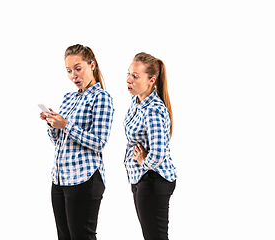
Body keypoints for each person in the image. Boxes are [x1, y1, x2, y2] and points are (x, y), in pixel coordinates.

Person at [40, 44, 114, 240]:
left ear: (92, 65)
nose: (74, 75)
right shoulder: (68, 98)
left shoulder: (102, 98)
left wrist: (66, 125)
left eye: (78, 68)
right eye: (69, 71)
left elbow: (99, 142)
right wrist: (52, 123)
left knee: (81, 236)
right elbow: (57, 141)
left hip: (84, 179)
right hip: (59, 179)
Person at [124, 52, 177, 240]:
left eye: (135, 76)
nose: (128, 79)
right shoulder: (136, 101)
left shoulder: (153, 110)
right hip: (142, 178)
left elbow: (158, 153)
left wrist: (143, 162)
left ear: (151, 80)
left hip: (153, 179)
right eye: (129, 74)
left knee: (155, 237)